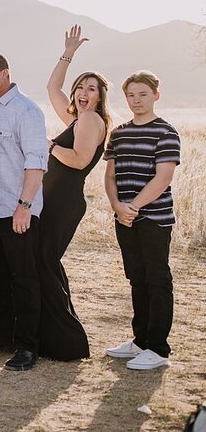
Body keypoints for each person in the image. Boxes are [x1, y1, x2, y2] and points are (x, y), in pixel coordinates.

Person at [0, 52, 48, 372]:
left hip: (17, 210)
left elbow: (36, 162)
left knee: (24, 278)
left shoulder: (25, 111)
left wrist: (24, 207)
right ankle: (2, 334)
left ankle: (28, 346)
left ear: (5, 73)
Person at [39, 25, 109, 360]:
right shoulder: (77, 117)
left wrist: (50, 145)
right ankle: (54, 335)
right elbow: (53, 87)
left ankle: (67, 342)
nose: (82, 92)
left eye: (90, 88)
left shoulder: (91, 121)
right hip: (53, 199)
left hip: (65, 201)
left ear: (99, 96)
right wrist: (68, 53)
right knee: (46, 263)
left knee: (45, 263)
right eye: (80, 87)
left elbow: (79, 161)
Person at [104, 71, 180, 371]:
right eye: (131, 95)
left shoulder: (165, 132)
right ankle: (140, 340)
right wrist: (116, 206)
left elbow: (163, 178)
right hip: (124, 218)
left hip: (153, 218)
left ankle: (158, 348)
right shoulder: (119, 133)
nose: (136, 100)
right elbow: (110, 176)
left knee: (157, 279)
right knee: (136, 278)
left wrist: (132, 206)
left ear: (155, 96)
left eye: (143, 95)